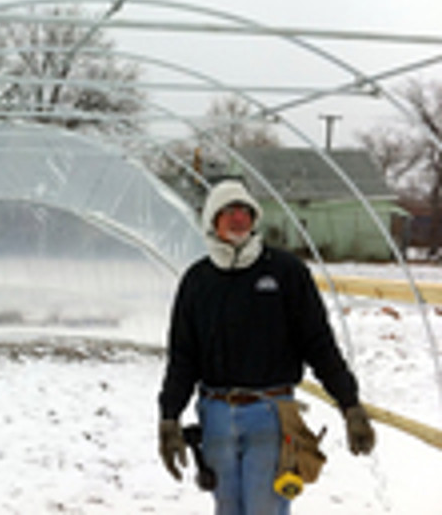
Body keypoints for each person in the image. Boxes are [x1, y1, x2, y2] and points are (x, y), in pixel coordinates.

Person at [157, 179, 375, 514]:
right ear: (212, 221)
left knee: (265, 509)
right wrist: (169, 417)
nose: (237, 218)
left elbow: (318, 343)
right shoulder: (197, 282)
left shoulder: (286, 272)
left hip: (271, 415)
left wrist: (350, 405)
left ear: (255, 218)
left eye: (244, 211)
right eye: (227, 212)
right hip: (215, 415)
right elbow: (183, 357)